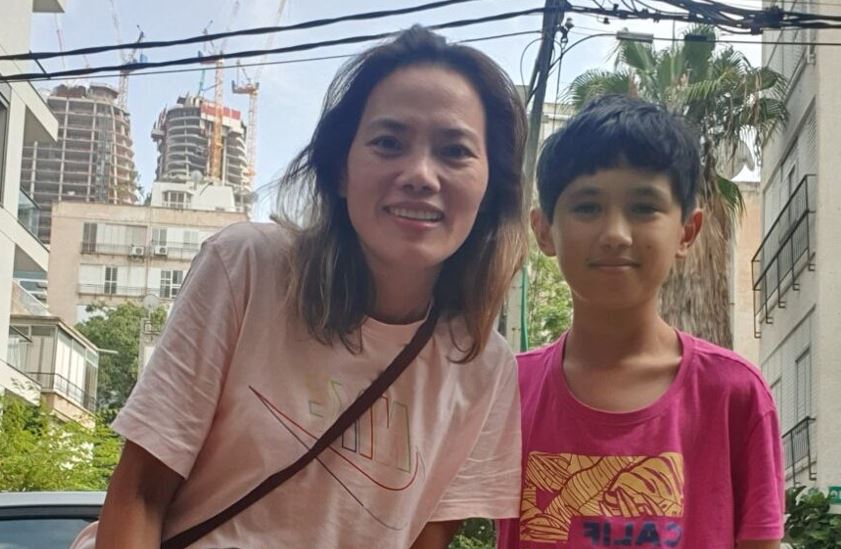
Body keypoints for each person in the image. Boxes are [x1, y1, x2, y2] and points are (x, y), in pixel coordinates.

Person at [71, 25, 529, 549]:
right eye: (388, 143)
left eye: (454, 151)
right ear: (340, 171)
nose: (420, 174)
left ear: (490, 187)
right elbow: (140, 495)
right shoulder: (247, 267)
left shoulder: (484, 365)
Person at [497, 96, 784, 548]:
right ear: (545, 231)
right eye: (587, 207)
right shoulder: (506, 390)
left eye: (644, 207)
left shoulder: (734, 394)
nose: (615, 234)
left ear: (687, 231)